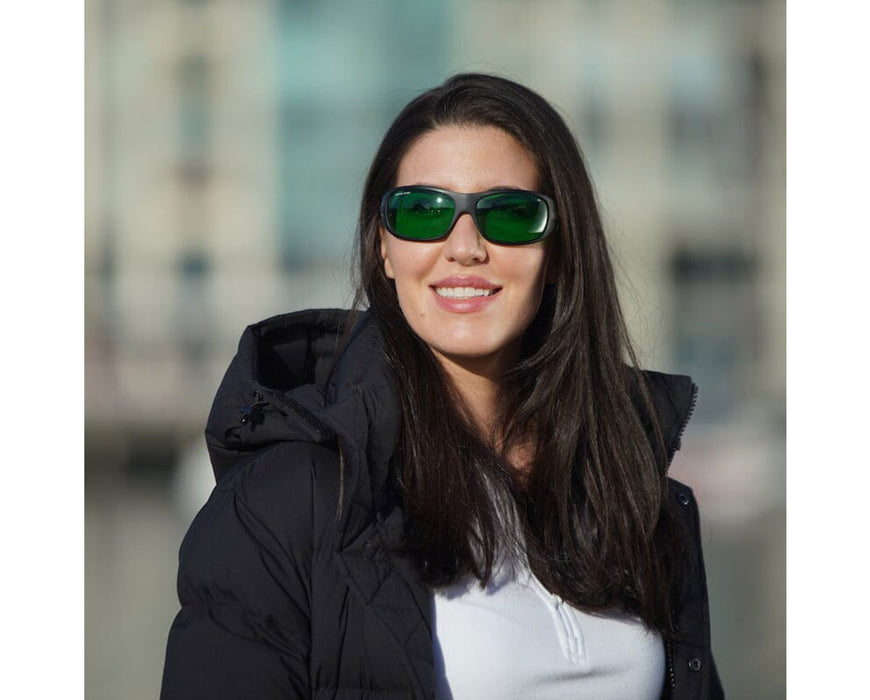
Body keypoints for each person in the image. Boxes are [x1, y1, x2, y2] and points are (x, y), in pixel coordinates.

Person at [160, 73, 724, 699]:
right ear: (384, 248)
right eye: (422, 212)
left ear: (560, 249)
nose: (463, 247)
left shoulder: (634, 495)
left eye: (508, 214)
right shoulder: (291, 501)